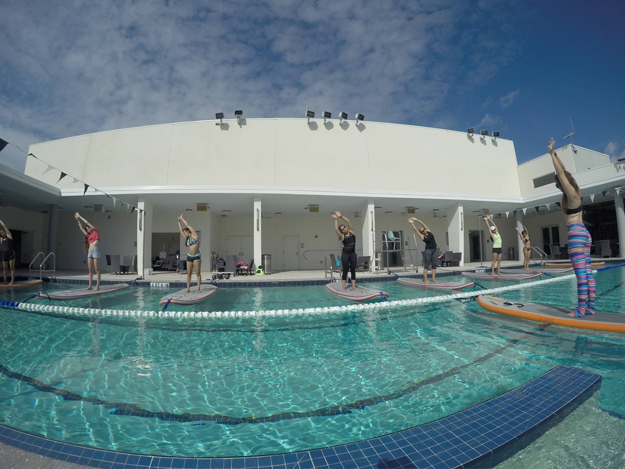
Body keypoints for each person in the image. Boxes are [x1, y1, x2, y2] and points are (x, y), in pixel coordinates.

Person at [549, 137, 595, 317]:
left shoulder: (571, 195)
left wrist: (550, 155)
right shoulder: (576, 194)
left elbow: (561, 173)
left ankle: (580, 309)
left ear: (563, 183)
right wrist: (555, 153)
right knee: (588, 271)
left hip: (576, 233)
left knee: (580, 273)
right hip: (585, 233)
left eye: (557, 184)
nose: (557, 186)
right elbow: (564, 171)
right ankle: (590, 307)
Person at [331, 211, 357, 291]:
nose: (344, 229)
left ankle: (353, 286)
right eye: (342, 229)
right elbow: (336, 229)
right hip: (345, 254)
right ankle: (343, 287)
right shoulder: (342, 236)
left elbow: (348, 221)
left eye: (344, 227)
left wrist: (341, 216)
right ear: (341, 231)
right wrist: (336, 219)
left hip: (353, 254)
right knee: (345, 270)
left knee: (353, 269)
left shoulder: (352, 231)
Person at [75, 212, 100, 290]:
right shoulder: (88, 235)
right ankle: (90, 286)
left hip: (95, 251)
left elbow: (87, 222)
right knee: (90, 270)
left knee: (97, 269)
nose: (88, 229)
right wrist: (78, 220)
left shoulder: (95, 231)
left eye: (88, 228)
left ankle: (97, 286)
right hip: (90, 252)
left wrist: (80, 216)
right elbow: (81, 229)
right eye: (87, 229)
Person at [409, 217, 437, 283]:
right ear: (421, 232)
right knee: (427, 265)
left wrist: (417, 220)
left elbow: (423, 224)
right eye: (422, 230)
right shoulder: (422, 236)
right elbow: (416, 230)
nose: (424, 230)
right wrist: (412, 224)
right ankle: (425, 279)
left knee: (434, 265)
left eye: (424, 229)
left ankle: (433, 279)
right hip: (428, 251)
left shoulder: (429, 231)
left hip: (434, 250)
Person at [178, 214, 201, 293]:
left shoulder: (194, 235)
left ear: (188, 232)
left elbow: (187, 225)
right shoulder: (186, 238)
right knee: (189, 273)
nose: (184, 234)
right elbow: (181, 230)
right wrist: (179, 222)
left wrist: (182, 219)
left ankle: (198, 288)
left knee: (197, 273)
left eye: (185, 233)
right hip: (189, 256)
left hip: (196, 256)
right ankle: (188, 288)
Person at [0, 218, 15, 285]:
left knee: (11, 268)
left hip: (11, 253)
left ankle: (12, 281)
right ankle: (5, 280)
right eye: (1, 233)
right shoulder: (1, 239)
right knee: (5, 268)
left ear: (5, 232)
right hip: (4, 253)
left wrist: (0, 221)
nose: (2, 233)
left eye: (3, 232)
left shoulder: (9, 236)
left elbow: (5, 226)